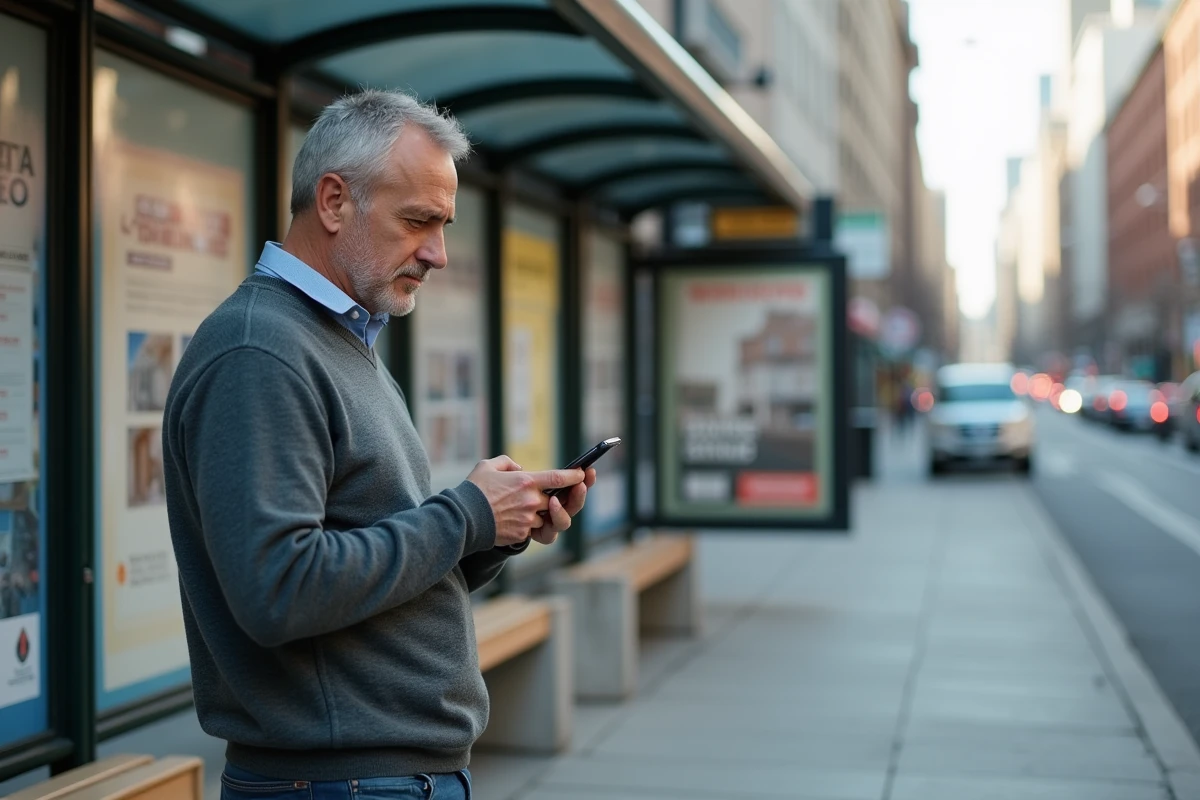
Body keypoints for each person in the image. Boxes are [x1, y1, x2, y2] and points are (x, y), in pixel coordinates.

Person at [162, 89, 595, 800]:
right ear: (334, 201)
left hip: (377, 777)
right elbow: (280, 592)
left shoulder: (335, 337)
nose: (438, 254)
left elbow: (367, 571)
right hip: (343, 783)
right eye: (417, 220)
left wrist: (493, 529)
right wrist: (464, 515)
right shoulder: (260, 351)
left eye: (444, 225)